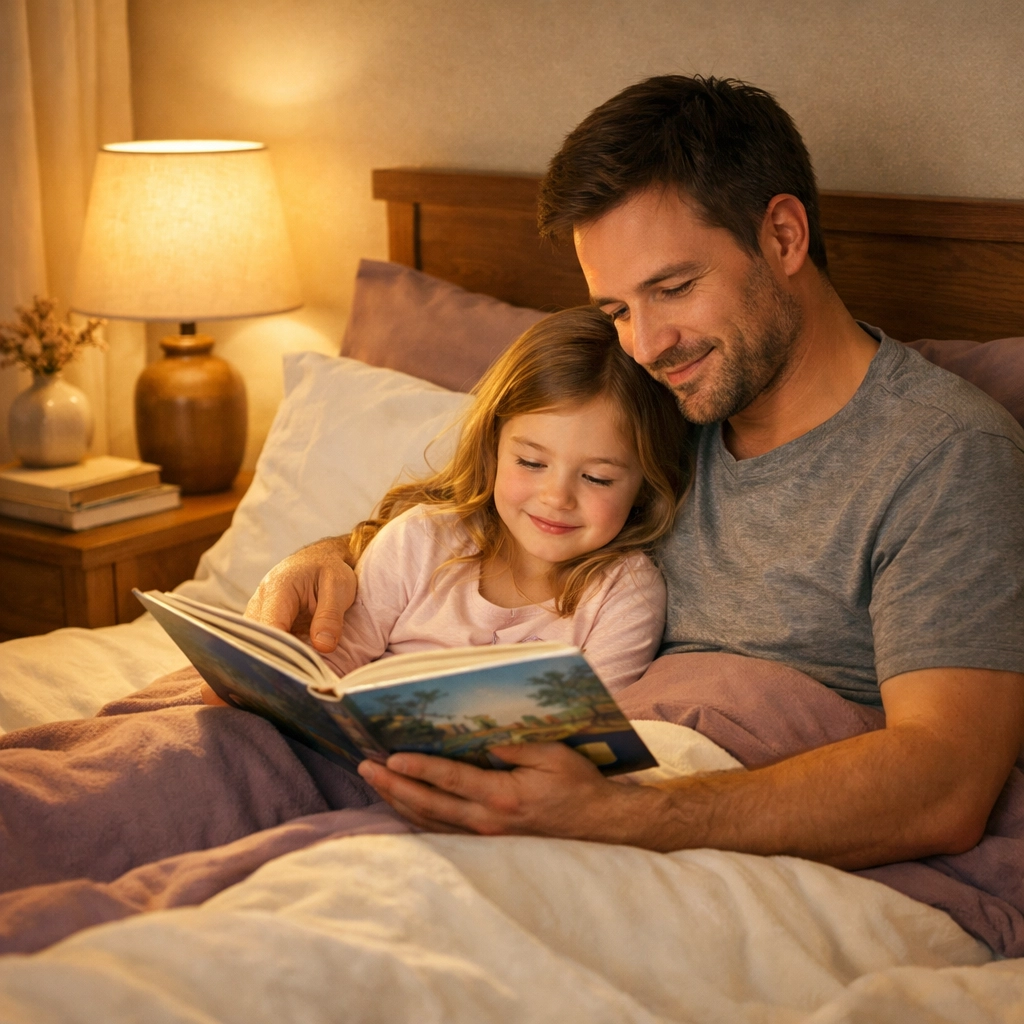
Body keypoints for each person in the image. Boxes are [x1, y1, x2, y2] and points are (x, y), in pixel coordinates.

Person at [249, 75, 1024, 871]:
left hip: (685, 836)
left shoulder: (943, 456)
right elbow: (485, 517)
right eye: (618, 310)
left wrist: (622, 815)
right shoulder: (652, 405)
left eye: (674, 289)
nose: (648, 346)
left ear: (784, 237)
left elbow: (946, 781)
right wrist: (327, 558)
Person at [212, 306, 688, 703]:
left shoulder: (625, 593)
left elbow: (601, 729)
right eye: (531, 462)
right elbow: (334, 658)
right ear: (493, 448)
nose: (557, 497)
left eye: (596, 477)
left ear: (644, 484)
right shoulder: (420, 538)